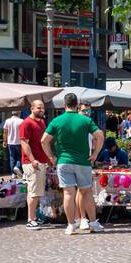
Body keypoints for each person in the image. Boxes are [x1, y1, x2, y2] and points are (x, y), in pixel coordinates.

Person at [46, 91, 104, 236]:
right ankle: (93, 223)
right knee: (86, 192)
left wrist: (51, 156)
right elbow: (99, 135)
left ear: (64, 105)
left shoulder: (57, 120)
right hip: (83, 161)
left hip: (64, 161)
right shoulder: (85, 120)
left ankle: (71, 225)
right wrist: (95, 153)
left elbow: (44, 140)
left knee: (68, 193)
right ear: (77, 105)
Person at [19, 100, 51, 230]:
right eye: (39, 108)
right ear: (32, 108)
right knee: (33, 191)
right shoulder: (26, 123)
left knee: (37, 192)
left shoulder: (42, 122)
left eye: (43, 108)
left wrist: (48, 158)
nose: (42, 110)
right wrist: (32, 160)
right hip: (32, 162)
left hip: (41, 161)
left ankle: (34, 217)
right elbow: (24, 143)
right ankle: (30, 219)